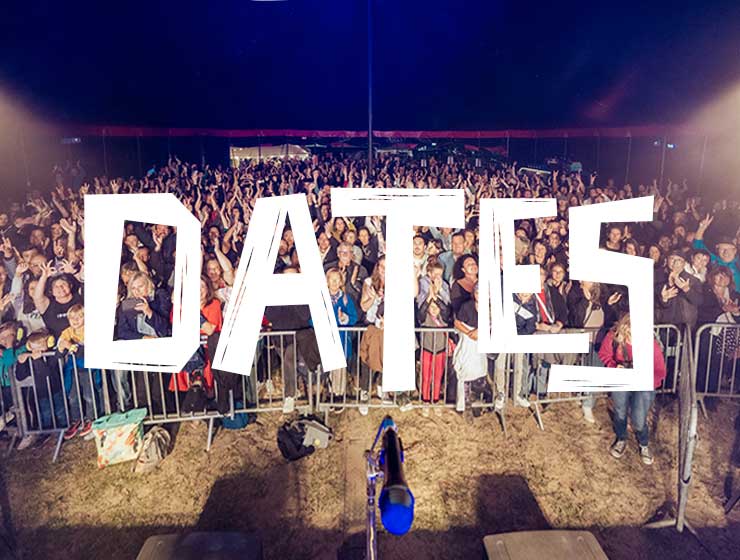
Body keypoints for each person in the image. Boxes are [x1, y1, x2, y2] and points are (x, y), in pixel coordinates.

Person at [599, 314, 666, 465]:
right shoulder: (613, 337)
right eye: (630, 332)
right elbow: (604, 354)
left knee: (639, 418)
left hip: (643, 385)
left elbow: (660, 369)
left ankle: (644, 443)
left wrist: (647, 381)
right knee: (620, 412)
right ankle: (621, 438)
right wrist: (614, 366)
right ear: (624, 328)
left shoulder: (650, 344)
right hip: (621, 381)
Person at [325, 268, 358, 399]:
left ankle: (339, 393)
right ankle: (330, 391)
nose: (334, 282)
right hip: (327, 338)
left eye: (337, 279)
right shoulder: (322, 298)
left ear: (341, 282)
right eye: (331, 279)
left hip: (342, 338)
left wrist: (344, 317)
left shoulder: (345, 299)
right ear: (327, 281)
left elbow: (354, 317)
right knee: (329, 366)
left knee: (340, 367)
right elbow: (312, 318)